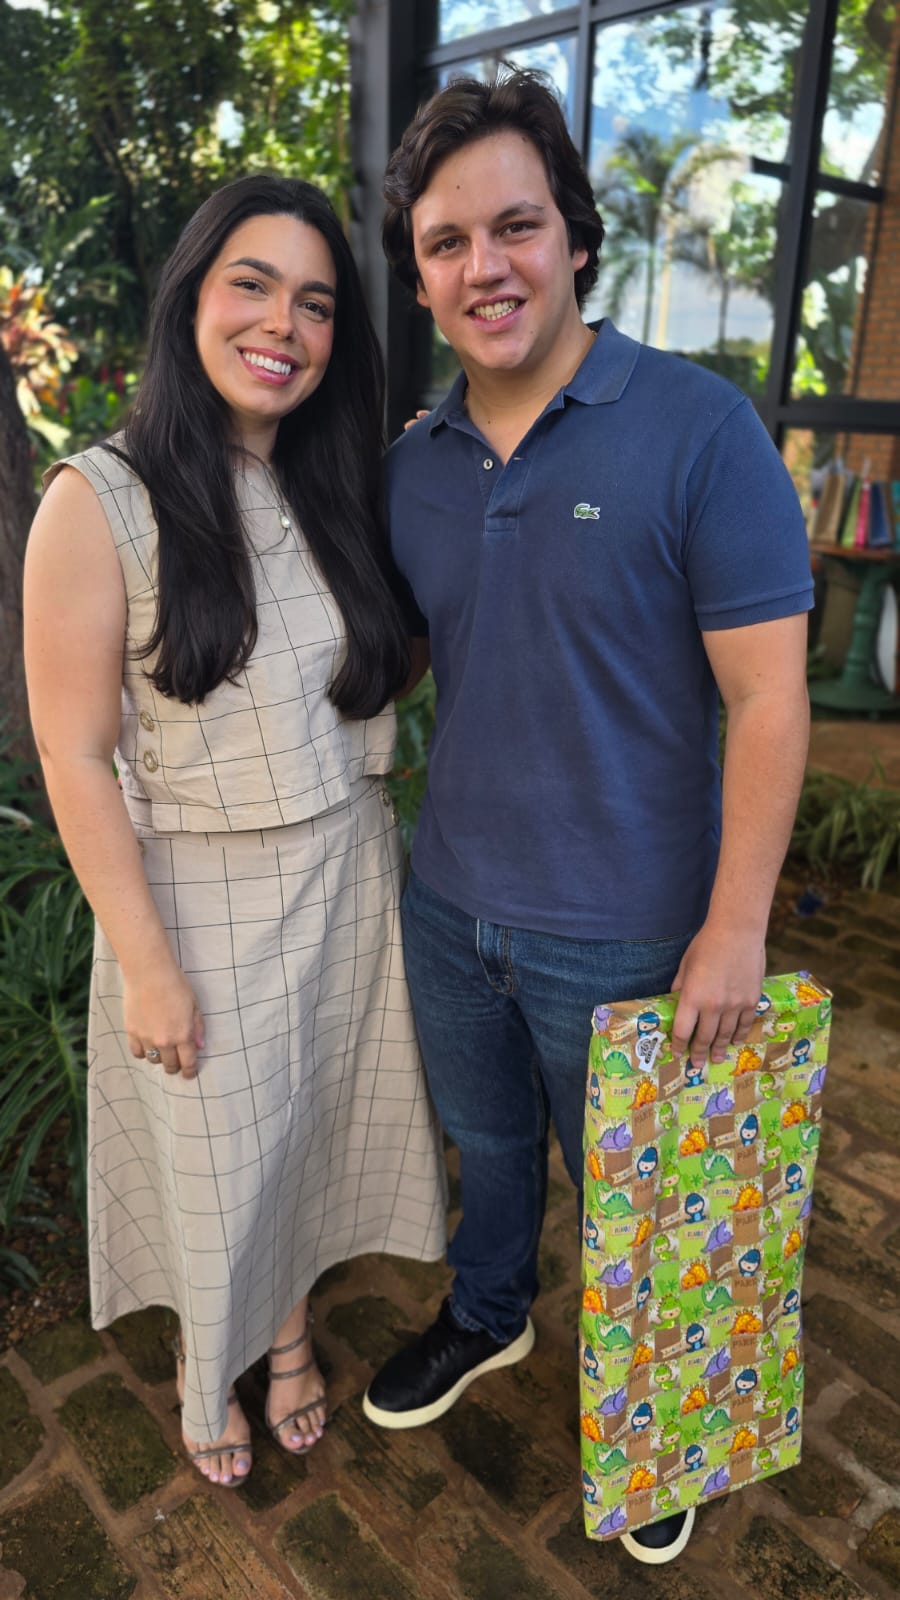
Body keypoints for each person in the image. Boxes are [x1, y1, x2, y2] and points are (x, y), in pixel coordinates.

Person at [361, 71, 812, 1567]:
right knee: (493, 1159)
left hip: (629, 923)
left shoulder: (698, 429)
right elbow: (414, 655)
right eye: (446, 242)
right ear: (419, 275)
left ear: (573, 238)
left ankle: (666, 1404)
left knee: (651, 1197)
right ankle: (489, 1316)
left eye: (516, 227)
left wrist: (734, 927)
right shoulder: (413, 464)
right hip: (452, 902)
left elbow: (768, 701)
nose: (484, 266)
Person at [23, 175, 446, 1489]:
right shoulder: (100, 498)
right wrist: (145, 961)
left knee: (309, 1135)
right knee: (221, 1166)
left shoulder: (336, 490)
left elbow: (381, 672)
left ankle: (287, 1337)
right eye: (253, 285)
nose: (286, 324)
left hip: (346, 870)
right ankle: (215, 1377)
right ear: (191, 300)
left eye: (316, 303)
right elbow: (73, 752)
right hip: (194, 900)